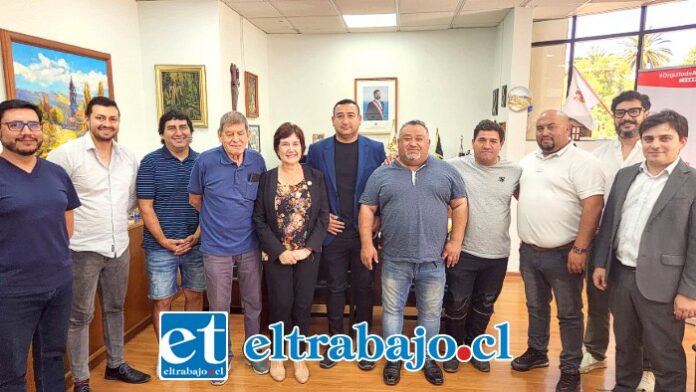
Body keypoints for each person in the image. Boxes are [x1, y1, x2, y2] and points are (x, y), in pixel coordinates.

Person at [48, 97, 151, 392]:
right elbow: (51, 198)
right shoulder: (65, 155)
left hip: (119, 245)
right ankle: (81, 379)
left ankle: (116, 364)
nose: (107, 124)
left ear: (119, 122)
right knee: (79, 316)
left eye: (112, 119)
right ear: (88, 119)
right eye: (100, 118)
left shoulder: (128, 157)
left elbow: (131, 199)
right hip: (81, 248)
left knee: (115, 307)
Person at [592, 110, 696, 391]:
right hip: (621, 277)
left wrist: (689, 292)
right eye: (648, 138)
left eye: (665, 138)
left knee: (665, 354)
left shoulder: (692, 182)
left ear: (682, 140)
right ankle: (624, 386)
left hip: (665, 284)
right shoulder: (626, 176)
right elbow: (610, 221)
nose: (655, 144)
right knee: (625, 344)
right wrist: (601, 263)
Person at [359, 120, 468, 386]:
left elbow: (461, 205)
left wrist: (455, 242)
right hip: (395, 259)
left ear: (428, 143)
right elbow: (367, 208)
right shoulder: (381, 174)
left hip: (434, 260)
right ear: (398, 142)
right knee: (392, 311)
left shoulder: (446, 171)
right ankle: (393, 359)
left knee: (430, 314)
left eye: (419, 138)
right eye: (407, 138)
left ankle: (428, 359)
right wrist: (366, 243)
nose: (413, 143)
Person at [512, 110, 604, 392]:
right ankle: (537, 352)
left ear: (568, 129)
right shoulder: (528, 161)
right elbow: (520, 192)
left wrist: (580, 247)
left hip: (566, 253)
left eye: (551, 126)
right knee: (536, 307)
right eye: (540, 128)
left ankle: (570, 368)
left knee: (569, 314)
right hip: (529, 252)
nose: (544, 133)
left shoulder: (584, 162)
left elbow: (594, 205)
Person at [0, 99, 81, 391]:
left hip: (59, 284)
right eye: (15, 125)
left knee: (53, 360)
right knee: (10, 371)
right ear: (1, 130)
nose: (25, 131)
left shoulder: (55, 173)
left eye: (33, 124)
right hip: (11, 292)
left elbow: (66, 223)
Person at [188, 111, 268, 384]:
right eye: (229, 134)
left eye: (240, 133)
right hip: (216, 248)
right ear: (220, 135)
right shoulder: (205, 161)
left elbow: (262, 201)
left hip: (250, 246)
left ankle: (253, 352)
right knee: (219, 306)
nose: (235, 138)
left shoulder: (257, 161)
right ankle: (221, 357)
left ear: (248, 135)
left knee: (253, 303)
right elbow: (195, 199)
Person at [305, 98, 386, 370]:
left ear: (360, 119)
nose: (345, 120)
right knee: (335, 288)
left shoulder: (375, 149)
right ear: (332, 120)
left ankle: (362, 344)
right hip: (333, 233)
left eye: (351, 115)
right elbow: (310, 190)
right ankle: (336, 342)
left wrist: (378, 218)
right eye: (340, 115)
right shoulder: (317, 150)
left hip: (364, 234)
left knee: (364, 289)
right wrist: (322, 220)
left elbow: (383, 188)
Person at [582, 91, 655, 389]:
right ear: (613, 116)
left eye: (634, 111)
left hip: (642, 244)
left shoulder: (654, 150)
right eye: (620, 112)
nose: (626, 117)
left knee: (643, 308)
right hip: (602, 241)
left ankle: (648, 368)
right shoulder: (599, 154)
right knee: (597, 303)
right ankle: (595, 352)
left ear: (646, 113)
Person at [442, 119, 521, 374]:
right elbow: (422, 167)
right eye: (482, 140)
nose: (487, 145)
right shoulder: (454, 167)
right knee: (456, 302)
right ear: (473, 142)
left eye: (493, 141)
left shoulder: (514, 171)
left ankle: (474, 347)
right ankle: (454, 350)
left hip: (497, 253)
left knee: (485, 304)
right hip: (462, 251)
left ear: (501, 144)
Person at [253, 123, 329, 384]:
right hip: (277, 256)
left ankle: (298, 355)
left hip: (307, 255)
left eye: (295, 143)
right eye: (285, 143)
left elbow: (322, 217)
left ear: (302, 147)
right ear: (277, 148)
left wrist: (307, 249)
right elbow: (259, 219)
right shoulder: (267, 178)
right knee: (281, 305)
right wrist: (279, 251)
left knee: (302, 305)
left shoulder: (315, 177)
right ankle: (277, 355)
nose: (290, 148)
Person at [136, 111, 205, 348]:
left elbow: (210, 204)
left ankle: (192, 351)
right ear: (162, 134)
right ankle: (168, 354)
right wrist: (164, 240)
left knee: (195, 295)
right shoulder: (150, 162)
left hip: (196, 243)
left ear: (191, 132)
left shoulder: (203, 162)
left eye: (183, 127)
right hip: (159, 247)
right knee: (162, 299)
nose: (178, 132)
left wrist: (197, 236)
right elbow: (145, 206)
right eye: (172, 128)